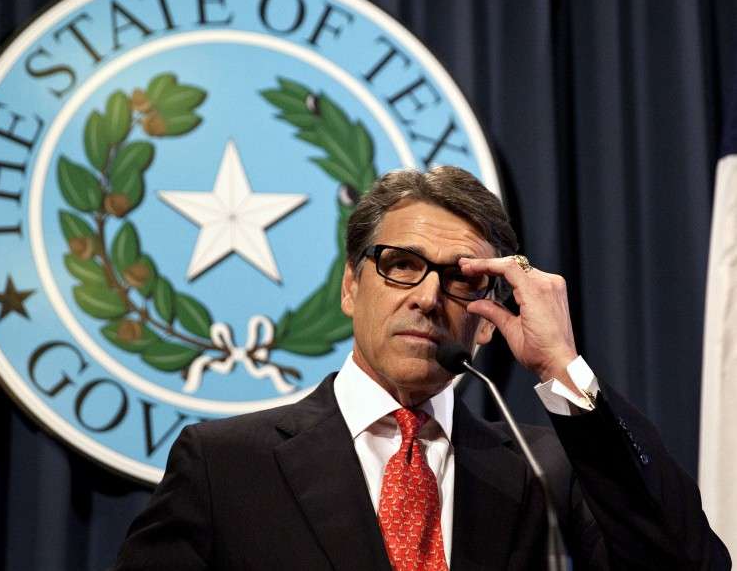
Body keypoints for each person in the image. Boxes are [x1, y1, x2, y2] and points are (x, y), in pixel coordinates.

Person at [113, 166, 730, 570]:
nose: (428, 298)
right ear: (352, 286)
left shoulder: (547, 473)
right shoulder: (226, 465)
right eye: (401, 264)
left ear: (488, 321)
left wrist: (563, 366)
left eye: (461, 280)